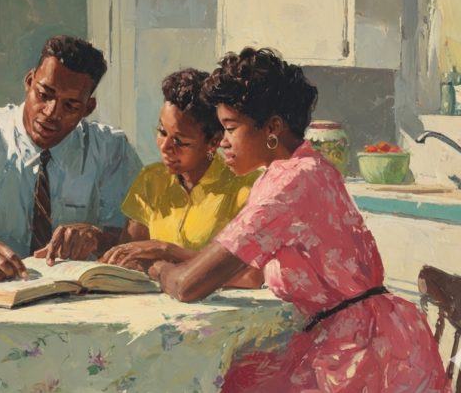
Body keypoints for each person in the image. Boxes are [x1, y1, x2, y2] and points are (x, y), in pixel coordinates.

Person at [104, 47, 448, 391]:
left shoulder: (288, 185)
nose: (222, 143)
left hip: (365, 359)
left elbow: (188, 286)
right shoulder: (301, 169)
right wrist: (171, 253)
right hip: (365, 338)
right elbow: (241, 270)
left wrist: (158, 268)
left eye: (230, 128)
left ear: (272, 128)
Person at [0, 35, 143, 282]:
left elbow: (131, 243)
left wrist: (95, 237)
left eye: (71, 106)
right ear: (29, 81)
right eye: (45, 94)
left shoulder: (112, 149)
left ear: (88, 108)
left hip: (80, 297)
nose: (52, 113)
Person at [107, 68, 263, 288]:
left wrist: (166, 251)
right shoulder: (151, 180)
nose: (165, 148)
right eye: (162, 132)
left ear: (214, 142)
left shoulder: (245, 188)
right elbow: (127, 257)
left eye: (180, 142)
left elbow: (253, 276)